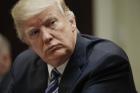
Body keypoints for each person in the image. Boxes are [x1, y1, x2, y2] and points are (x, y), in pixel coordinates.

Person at [8, 0, 137, 93]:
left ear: (71, 21)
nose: (46, 37)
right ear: (27, 42)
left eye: (52, 23)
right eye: (34, 32)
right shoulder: (23, 65)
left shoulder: (107, 62)